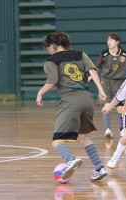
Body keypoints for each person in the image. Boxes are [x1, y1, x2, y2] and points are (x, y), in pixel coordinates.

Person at [36, 32, 107, 182]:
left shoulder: (51, 60)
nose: (48, 50)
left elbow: (53, 80)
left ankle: (71, 159)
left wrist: (40, 93)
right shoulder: (80, 54)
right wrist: (101, 90)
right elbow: (93, 71)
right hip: (87, 99)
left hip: (70, 100)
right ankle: (100, 168)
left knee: (57, 141)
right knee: (82, 137)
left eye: (47, 47)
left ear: (52, 46)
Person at [96, 33, 126, 139]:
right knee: (106, 106)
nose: (109, 42)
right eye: (108, 40)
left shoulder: (125, 55)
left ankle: (122, 129)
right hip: (106, 82)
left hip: (119, 83)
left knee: (121, 108)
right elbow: (96, 67)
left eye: (111, 40)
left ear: (117, 42)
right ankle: (107, 129)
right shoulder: (104, 54)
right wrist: (89, 78)